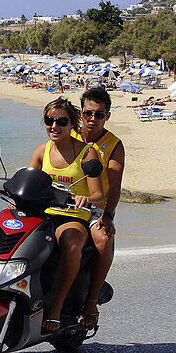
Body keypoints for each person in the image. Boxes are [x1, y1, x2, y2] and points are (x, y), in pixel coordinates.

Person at [1, 98, 104, 333]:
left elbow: (99, 195)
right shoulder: (42, 151)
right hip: (40, 214)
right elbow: (25, 181)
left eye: (61, 121)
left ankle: (56, 308)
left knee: (71, 243)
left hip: (71, 216)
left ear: (72, 124)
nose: (54, 126)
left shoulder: (87, 154)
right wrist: (2, 182)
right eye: (49, 120)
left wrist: (85, 198)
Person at [71, 87, 125, 331]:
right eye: (88, 113)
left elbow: (114, 186)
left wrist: (108, 216)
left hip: (94, 208)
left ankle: (91, 302)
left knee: (103, 241)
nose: (92, 119)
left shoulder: (113, 145)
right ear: (81, 113)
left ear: (107, 116)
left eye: (99, 115)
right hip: (62, 203)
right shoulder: (66, 133)